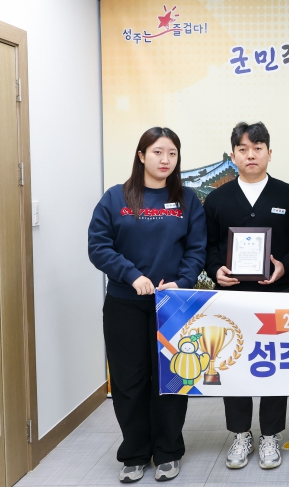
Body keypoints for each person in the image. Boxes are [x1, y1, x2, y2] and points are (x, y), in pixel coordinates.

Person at [88, 127, 206, 483]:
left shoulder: (187, 199)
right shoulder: (115, 197)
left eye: (172, 153)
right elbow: (99, 246)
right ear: (141, 155)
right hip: (125, 304)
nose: (165, 159)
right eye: (157, 152)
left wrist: (182, 281)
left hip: (172, 305)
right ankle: (135, 453)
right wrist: (131, 275)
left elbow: (196, 249)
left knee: (171, 378)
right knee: (129, 380)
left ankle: (168, 451)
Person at [202, 121, 289, 471]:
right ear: (233, 156)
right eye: (243, 149)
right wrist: (215, 269)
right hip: (231, 299)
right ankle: (241, 433)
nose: (251, 155)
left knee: (273, 364)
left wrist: (284, 266)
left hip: (276, 296)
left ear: (269, 153)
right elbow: (208, 246)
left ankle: (271, 434)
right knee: (234, 363)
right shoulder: (217, 199)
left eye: (258, 148)